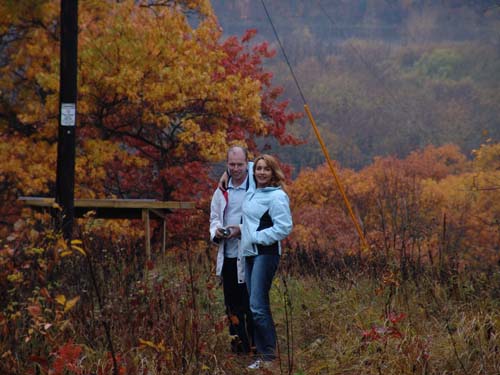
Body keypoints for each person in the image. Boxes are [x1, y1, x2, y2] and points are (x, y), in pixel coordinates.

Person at [239, 154, 293, 370]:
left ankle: (269, 357)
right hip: (250, 253)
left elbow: (284, 227)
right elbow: (245, 163)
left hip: (266, 253)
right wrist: (226, 175)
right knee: (255, 306)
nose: (261, 172)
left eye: (266, 169)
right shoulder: (253, 190)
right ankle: (263, 355)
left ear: (273, 172)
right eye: (258, 169)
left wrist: (257, 237)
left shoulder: (277, 196)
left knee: (258, 306)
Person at [209, 146, 254, 354]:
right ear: (226, 164)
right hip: (227, 256)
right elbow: (214, 217)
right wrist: (216, 232)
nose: (236, 169)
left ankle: (255, 346)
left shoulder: (255, 185)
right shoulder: (221, 190)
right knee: (231, 306)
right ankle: (238, 348)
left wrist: (240, 230)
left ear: (247, 164)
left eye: (240, 164)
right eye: (231, 165)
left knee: (251, 305)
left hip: (250, 255)